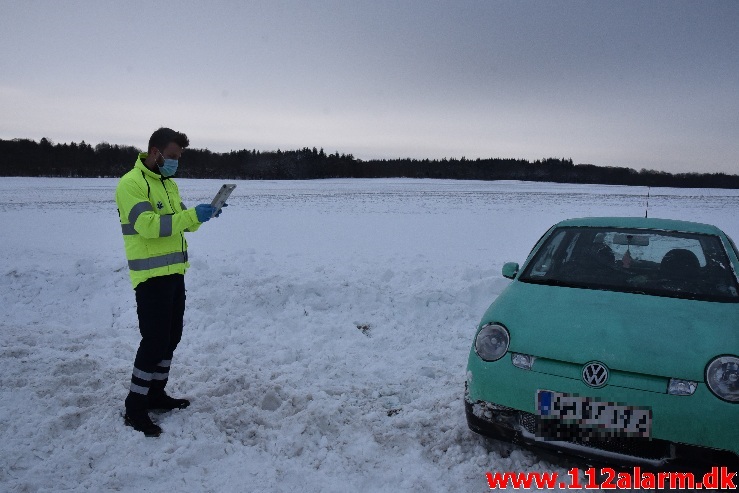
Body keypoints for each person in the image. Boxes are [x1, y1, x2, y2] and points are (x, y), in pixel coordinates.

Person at [115, 127, 224, 437]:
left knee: (171, 338)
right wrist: (191, 217)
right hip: (150, 278)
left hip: (175, 273)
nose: (176, 162)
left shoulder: (168, 185)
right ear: (154, 151)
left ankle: (155, 393)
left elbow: (178, 227)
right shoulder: (131, 184)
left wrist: (202, 216)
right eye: (173, 156)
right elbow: (148, 226)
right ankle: (135, 405)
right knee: (154, 341)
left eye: (179, 157)